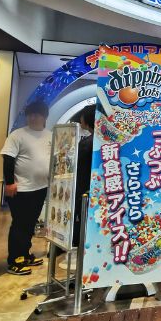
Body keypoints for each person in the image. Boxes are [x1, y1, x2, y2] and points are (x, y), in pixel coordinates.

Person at [1, 101, 52, 275]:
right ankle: (14, 260)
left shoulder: (49, 135)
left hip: (41, 187)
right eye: (30, 114)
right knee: (20, 225)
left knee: (30, 224)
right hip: (21, 189)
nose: (33, 117)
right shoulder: (17, 135)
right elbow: (8, 159)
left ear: (44, 117)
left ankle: (25, 253)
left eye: (37, 114)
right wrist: (9, 183)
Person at [73, 104, 95, 247]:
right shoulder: (99, 140)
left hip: (84, 189)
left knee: (82, 219)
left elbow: (79, 167)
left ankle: (79, 246)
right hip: (93, 189)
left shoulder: (87, 143)